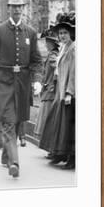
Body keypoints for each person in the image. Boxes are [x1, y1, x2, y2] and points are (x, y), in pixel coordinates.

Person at [0, 0, 43, 178]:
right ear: (8, 8)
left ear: (23, 8)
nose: (17, 10)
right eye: (13, 7)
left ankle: (5, 155)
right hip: (4, 82)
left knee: (17, 122)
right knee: (8, 120)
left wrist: (37, 80)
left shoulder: (31, 32)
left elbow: (36, 60)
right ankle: (14, 162)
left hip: (23, 84)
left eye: (20, 7)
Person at [40, 12, 76, 169]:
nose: (62, 36)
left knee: (69, 127)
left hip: (68, 93)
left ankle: (72, 158)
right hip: (60, 91)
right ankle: (59, 153)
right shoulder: (64, 48)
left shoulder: (73, 49)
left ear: (71, 34)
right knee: (59, 124)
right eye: (60, 33)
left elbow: (74, 72)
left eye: (65, 33)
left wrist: (69, 92)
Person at [36, 27, 60, 157]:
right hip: (48, 90)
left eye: (48, 42)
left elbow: (55, 68)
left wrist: (51, 83)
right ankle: (50, 148)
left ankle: (51, 148)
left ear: (52, 43)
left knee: (48, 120)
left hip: (51, 91)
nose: (46, 44)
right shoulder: (53, 54)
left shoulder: (53, 55)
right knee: (47, 120)